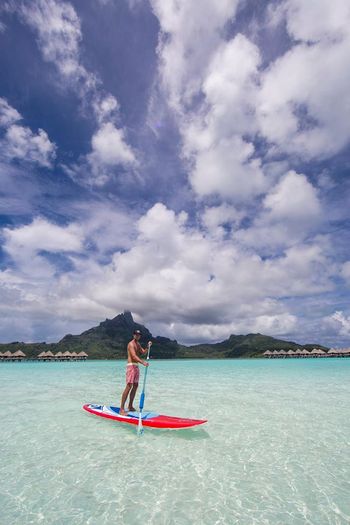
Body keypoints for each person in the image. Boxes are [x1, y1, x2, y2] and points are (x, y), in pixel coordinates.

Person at [119, 329, 152, 415]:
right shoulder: (131, 344)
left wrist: (148, 347)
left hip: (136, 366)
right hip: (131, 366)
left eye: (139, 335)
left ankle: (130, 406)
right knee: (129, 386)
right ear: (133, 335)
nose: (137, 336)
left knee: (135, 385)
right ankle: (121, 408)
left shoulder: (138, 344)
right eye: (136, 334)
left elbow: (143, 352)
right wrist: (143, 362)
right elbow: (133, 356)